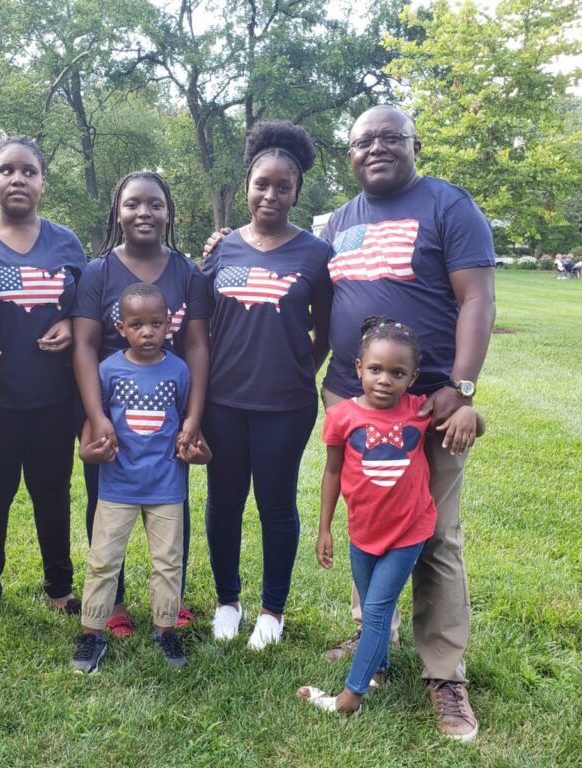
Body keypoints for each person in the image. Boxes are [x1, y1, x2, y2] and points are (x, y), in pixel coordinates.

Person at [203, 105, 496, 740]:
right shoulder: (337, 222)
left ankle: (444, 674)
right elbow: (291, 269)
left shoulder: (449, 206)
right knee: (369, 522)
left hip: (428, 405)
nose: (378, 148)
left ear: (414, 144)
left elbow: (477, 297)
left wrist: (461, 388)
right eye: (364, 141)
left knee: (434, 534)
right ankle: (375, 646)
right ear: (349, 156)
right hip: (348, 398)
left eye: (392, 138)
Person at [297, 316, 484, 722]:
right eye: (376, 370)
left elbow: (472, 425)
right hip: (362, 532)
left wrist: (471, 412)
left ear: (413, 377)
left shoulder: (419, 410)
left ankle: (351, 696)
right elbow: (332, 472)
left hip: (407, 532)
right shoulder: (342, 416)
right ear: (358, 369)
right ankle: (378, 665)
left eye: (398, 373)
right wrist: (325, 527)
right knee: (370, 607)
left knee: (377, 612)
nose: (385, 380)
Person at [202, 121, 332, 649]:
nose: (271, 195)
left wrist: (302, 367)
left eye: (283, 186)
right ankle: (228, 601)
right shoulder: (222, 249)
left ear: (297, 192)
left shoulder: (315, 254)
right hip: (222, 399)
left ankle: (272, 611)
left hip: (285, 402)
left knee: (276, 505)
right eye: (262, 184)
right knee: (224, 500)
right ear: (248, 184)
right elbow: (200, 324)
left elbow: (325, 330)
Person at [0, 136, 86, 635]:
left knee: (53, 493)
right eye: (6, 170)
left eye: (29, 171)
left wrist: (71, 324)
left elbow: (86, 306)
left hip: (54, 398)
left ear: (42, 182)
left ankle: (60, 589)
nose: (17, 179)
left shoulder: (65, 242)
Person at [71, 171, 210, 637]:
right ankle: (114, 599)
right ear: (117, 211)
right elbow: (85, 345)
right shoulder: (99, 271)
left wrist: (193, 416)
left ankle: (168, 600)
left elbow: (195, 346)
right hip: (110, 405)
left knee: (170, 497)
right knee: (108, 500)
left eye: (155, 204)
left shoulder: (187, 272)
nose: (144, 213)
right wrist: (96, 417)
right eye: (132, 204)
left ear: (169, 212)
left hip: (166, 403)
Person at [72, 283, 211, 673]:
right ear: (121, 328)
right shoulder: (109, 369)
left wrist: (198, 451)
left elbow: (189, 427)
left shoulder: (179, 370)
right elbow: (91, 426)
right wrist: (87, 452)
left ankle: (166, 630)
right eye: (137, 324)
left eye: (156, 323)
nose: (147, 332)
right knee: (103, 561)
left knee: (168, 562)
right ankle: (91, 634)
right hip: (117, 486)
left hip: (166, 487)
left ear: (169, 325)